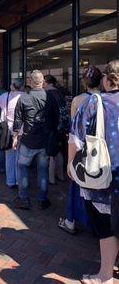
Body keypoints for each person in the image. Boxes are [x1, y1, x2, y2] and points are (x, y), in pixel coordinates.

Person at [69, 61, 119, 284]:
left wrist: (71, 165)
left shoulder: (93, 102)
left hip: (104, 176)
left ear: (106, 80)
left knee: (105, 225)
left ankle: (106, 275)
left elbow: (76, 139)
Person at [59, 66, 102, 235]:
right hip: (99, 150)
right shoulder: (105, 99)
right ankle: (94, 224)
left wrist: (70, 160)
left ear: (84, 82)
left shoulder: (78, 100)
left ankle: (71, 221)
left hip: (81, 149)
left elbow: (74, 130)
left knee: (77, 187)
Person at [12, 70, 50, 210]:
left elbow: (17, 120)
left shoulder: (23, 98)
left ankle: (24, 198)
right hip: (44, 140)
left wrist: (15, 137)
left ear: (30, 82)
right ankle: (42, 199)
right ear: (42, 82)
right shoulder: (49, 97)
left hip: (28, 139)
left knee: (22, 168)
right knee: (43, 170)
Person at [0, 79, 24, 187]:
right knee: (20, 157)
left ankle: (10, 181)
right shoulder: (25, 96)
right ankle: (19, 181)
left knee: (9, 157)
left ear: (12, 86)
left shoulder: (6, 96)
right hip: (21, 131)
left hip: (8, 131)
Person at [43, 75, 69, 185]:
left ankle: (51, 179)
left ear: (47, 82)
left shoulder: (48, 94)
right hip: (62, 127)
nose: (42, 84)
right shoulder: (60, 93)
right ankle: (61, 175)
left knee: (51, 154)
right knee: (59, 152)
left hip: (51, 127)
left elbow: (46, 112)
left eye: (43, 82)